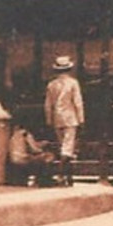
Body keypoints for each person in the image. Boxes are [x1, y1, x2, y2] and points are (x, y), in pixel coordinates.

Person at [43, 54, 85, 186]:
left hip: (57, 118)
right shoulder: (73, 83)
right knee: (67, 148)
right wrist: (81, 118)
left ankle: (67, 176)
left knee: (63, 146)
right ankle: (62, 175)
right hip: (70, 118)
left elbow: (48, 104)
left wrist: (49, 119)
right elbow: (77, 102)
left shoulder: (52, 85)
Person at [7, 122, 56, 187]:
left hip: (13, 160)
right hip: (23, 160)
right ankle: (44, 181)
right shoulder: (26, 134)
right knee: (48, 156)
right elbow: (35, 149)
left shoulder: (13, 135)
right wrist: (43, 147)